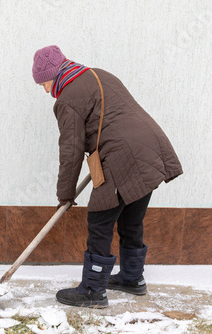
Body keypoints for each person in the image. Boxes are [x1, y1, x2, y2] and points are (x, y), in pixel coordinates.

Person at [32, 45, 183, 308]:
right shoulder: (99, 74)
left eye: (44, 83)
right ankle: (132, 278)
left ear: (54, 76)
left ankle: (92, 290)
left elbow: (71, 151)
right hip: (150, 148)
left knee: (99, 219)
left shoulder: (67, 99)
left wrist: (65, 195)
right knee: (131, 218)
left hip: (123, 155)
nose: (45, 90)